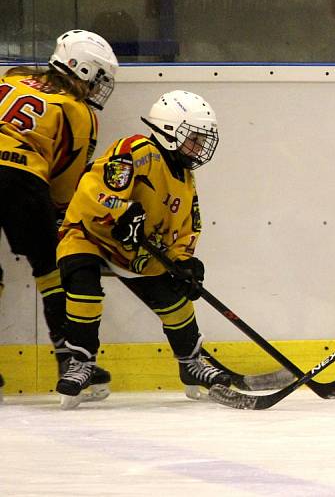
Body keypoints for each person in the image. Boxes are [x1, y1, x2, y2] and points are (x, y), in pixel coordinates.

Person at [54, 90, 231, 409]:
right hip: (90, 234)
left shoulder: (185, 179)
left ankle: (191, 363)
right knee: (84, 287)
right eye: (193, 138)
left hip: (135, 250)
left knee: (175, 302)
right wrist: (121, 212)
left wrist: (184, 263)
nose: (199, 147)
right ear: (169, 130)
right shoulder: (135, 150)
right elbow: (94, 192)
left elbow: (187, 229)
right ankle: (81, 362)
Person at [0, 29, 117, 398]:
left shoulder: (11, 79)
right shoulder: (77, 111)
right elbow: (66, 189)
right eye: (98, 78)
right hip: (21, 178)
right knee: (51, 267)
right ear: (80, 69)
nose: (99, 88)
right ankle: (70, 360)